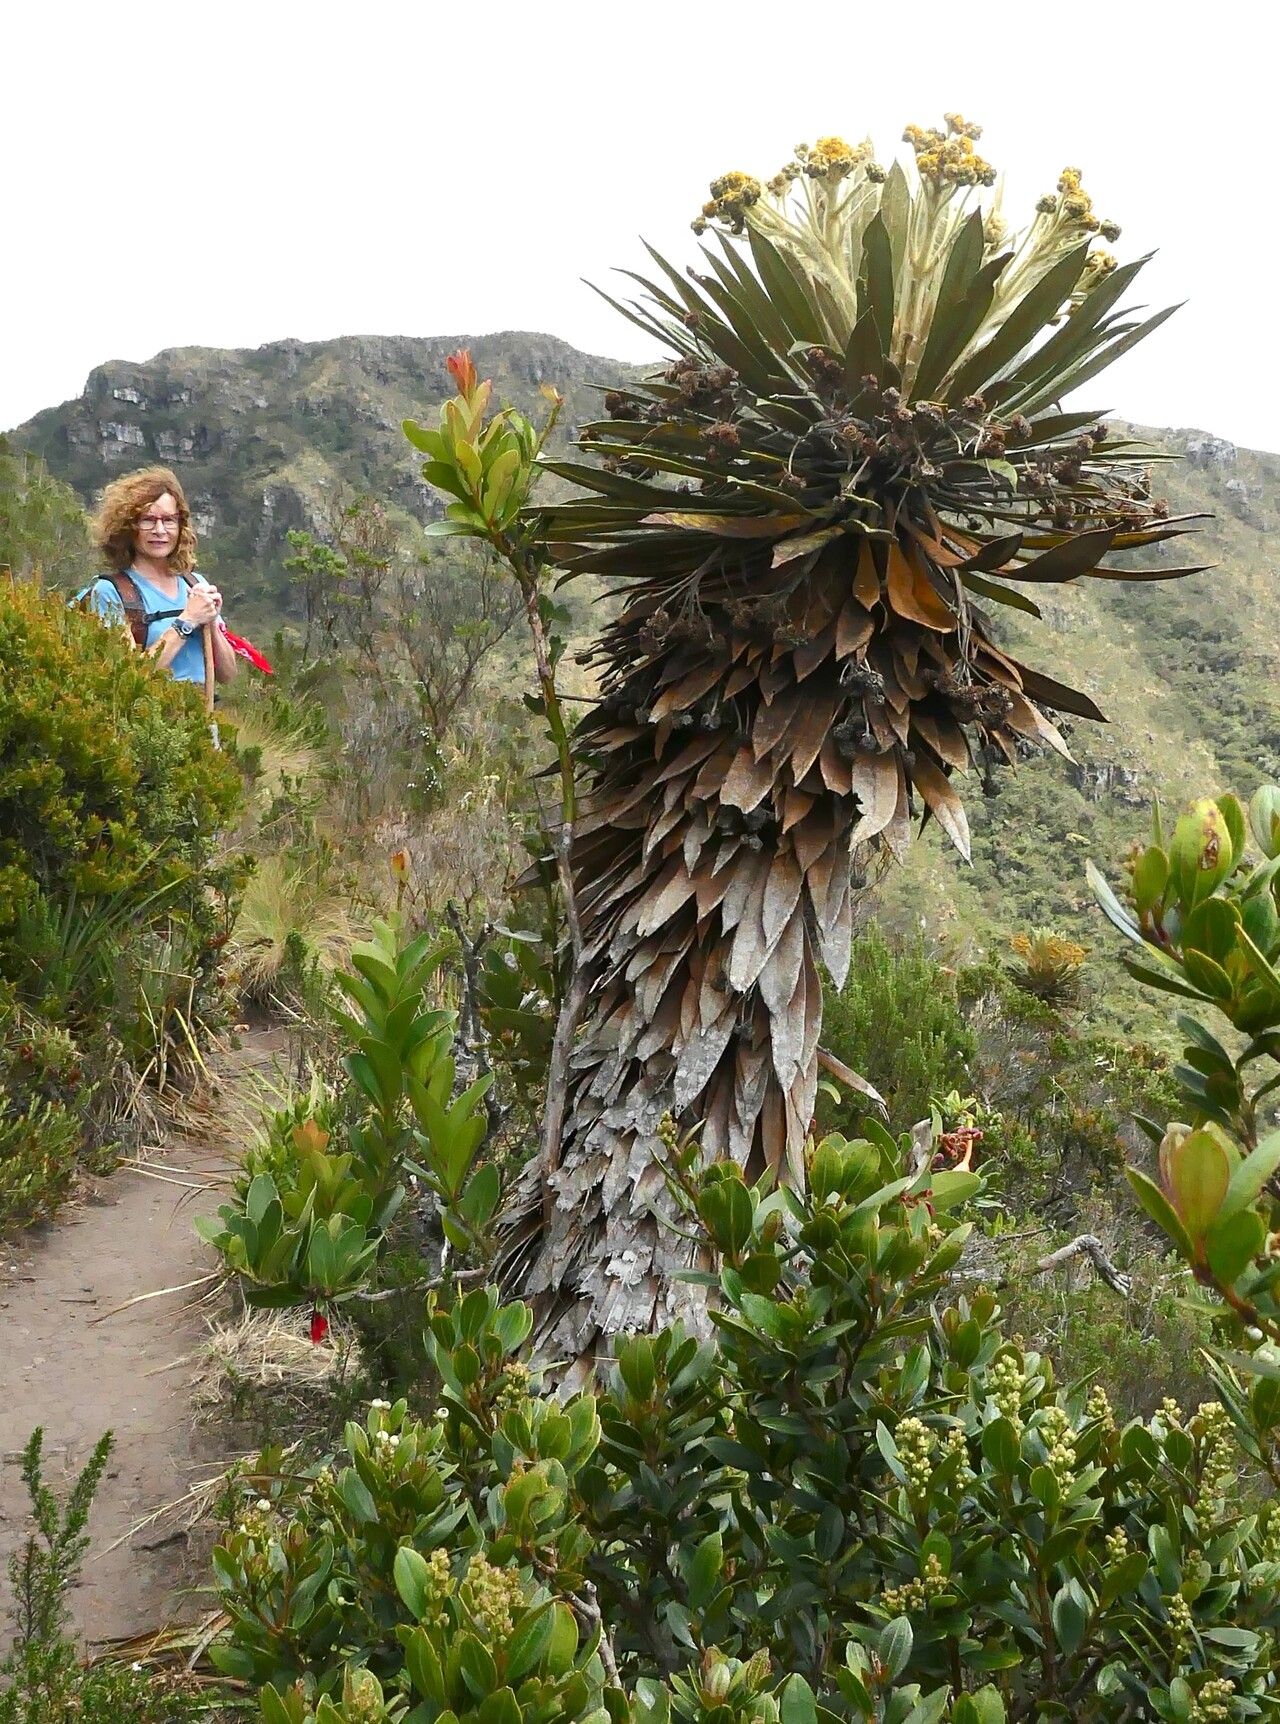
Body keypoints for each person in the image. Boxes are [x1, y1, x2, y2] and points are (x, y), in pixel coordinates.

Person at [87, 465, 237, 693]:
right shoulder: (110, 592)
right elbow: (130, 678)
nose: (159, 530)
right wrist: (187, 620)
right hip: (148, 721)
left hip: (202, 721)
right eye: (147, 520)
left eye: (168, 520)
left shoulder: (195, 584)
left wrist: (211, 621)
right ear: (129, 527)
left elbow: (228, 674)